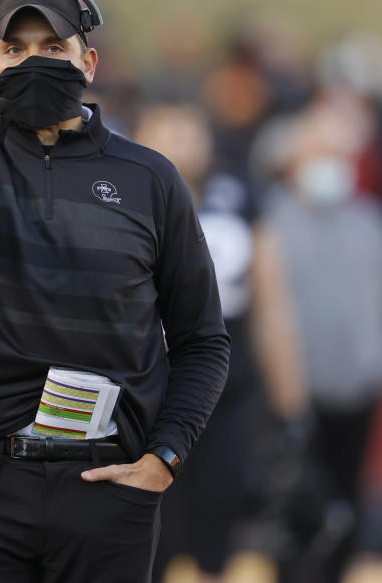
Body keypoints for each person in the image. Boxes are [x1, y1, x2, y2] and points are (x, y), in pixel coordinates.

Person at [0, 0, 230, 582]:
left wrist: (165, 456)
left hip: (108, 488)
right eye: (15, 49)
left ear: (88, 61)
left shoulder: (151, 178)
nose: (33, 61)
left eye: (52, 47)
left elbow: (203, 340)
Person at [250, 100, 382, 583]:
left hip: (360, 385)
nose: (330, 163)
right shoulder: (271, 222)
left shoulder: (372, 222)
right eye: (318, 151)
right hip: (294, 390)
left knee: (349, 497)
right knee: (295, 502)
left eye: (338, 153)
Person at [133, 102, 260, 582]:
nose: (181, 143)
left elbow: (270, 291)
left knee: (219, 510)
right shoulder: (116, 196)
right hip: (146, 384)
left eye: (190, 131)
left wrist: (287, 390)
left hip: (224, 379)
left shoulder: (236, 196)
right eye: (167, 131)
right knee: (150, 518)